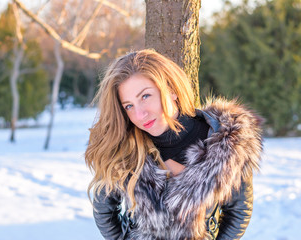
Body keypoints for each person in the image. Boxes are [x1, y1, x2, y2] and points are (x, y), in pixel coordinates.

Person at [85, 49, 263, 240]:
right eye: (129, 106)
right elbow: (104, 210)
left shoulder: (227, 142)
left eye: (145, 96)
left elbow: (238, 211)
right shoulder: (125, 149)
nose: (139, 114)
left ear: (171, 90)